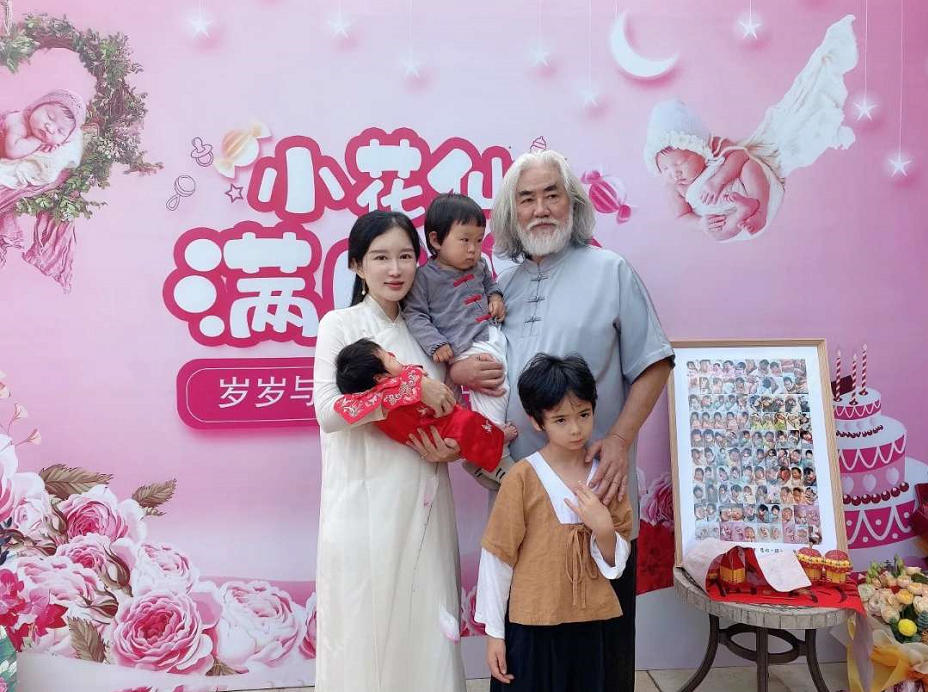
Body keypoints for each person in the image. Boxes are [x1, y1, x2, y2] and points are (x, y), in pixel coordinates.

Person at [452, 149, 673, 689]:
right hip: (517, 485)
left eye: (552, 194)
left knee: (600, 644)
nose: (541, 209)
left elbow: (654, 362)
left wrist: (619, 439)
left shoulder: (611, 271)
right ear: (511, 213)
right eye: (526, 199)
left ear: (572, 203)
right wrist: (460, 371)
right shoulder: (497, 283)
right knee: (526, 639)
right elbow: (463, 353)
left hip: (595, 488)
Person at [313, 211, 465, 692]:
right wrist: (407, 388)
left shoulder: (430, 331)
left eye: (405, 256)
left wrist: (452, 449)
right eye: (380, 258)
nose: (395, 269)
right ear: (357, 265)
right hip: (361, 505)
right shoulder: (340, 325)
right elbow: (329, 412)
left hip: (423, 498)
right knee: (365, 623)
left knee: (426, 623)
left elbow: (452, 415)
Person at [475, 354, 633, 692]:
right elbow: (498, 557)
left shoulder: (606, 478)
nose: (575, 428)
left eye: (583, 414)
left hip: (590, 627)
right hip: (532, 626)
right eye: (560, 419)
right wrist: (494, 634)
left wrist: (603, 528)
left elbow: (617, 562)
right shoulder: (523, 478)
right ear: (537, 421)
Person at [404, 193, 517, 487]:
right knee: (494, 390)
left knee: (487, 396)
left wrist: (495, 297)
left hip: (491, 335)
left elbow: (491, 284)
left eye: (479, 241)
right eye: (464, 240)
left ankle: (478, 456)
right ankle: (496, 453)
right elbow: (416, 315)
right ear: (436, 240)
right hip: (465, 348)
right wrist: (436, 344)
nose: (473, 249)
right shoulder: (424, 278)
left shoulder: (480, 266)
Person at [333, 337, 503, 472]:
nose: (394, 357)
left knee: (467, 427)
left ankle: (483, 457)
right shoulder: (389, 392)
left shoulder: (377, 398)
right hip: (435, 430)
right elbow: (414, 374)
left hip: (434, 435)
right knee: (468, 423)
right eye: (389, 358)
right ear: (380, 378)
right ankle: (496, 449)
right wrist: (418, 381)